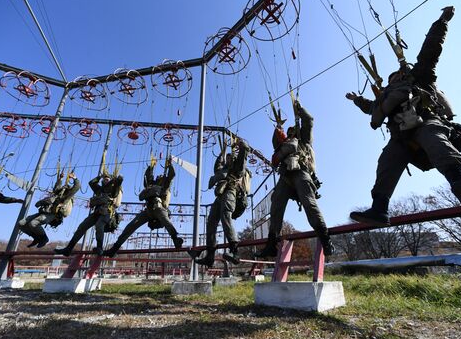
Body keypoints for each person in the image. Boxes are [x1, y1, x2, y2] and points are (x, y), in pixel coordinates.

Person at [345, 6, 461, 227]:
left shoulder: (419, 77)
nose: (395, 78)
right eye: (392, 78)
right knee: (387, 162)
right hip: (401, 136)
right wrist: (357, 100)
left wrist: (442, 21)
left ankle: (460, 181)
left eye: (398, 75)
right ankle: (379, 208)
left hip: (426, 122)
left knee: (434, 139)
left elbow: (430, 49)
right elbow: (372, 108)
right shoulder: (384, 99)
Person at [255, 100, 334, 258]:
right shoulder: (282, 145)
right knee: (276, 206)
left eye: (292, 130)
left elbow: (309, 121)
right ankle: (272, 243)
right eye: (288, 131)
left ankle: (325, 239)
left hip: (300, 171)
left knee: (309, 203)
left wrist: (300, 110)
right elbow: (276, 141)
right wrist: (278, 126)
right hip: (285, 175)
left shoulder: (304, 140)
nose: (290, 133)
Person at [104, 156, 182, 257]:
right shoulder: (149, 185)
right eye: (157, 176)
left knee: (166, 221)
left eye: (160, 177)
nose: (158, 176)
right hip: (148, 210)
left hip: (159, 208)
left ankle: (175, 239)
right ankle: (115, 248)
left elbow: (172, 175)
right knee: (131, 226)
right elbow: (147, 176)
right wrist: (151, 166)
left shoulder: (164, 185)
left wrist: (170, 165)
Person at [195, 138, 251, 267]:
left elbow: (245, 151)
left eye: (232, 157)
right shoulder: (222, 169)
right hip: (220, 196)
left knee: (226, 215)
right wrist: (223, 151)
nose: (229, 159)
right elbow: (218, 164)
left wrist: (240, 143)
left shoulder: (238, 168)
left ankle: (235, 252)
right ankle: (210, 256)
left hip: (231, 191)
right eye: (228, 158)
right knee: (211, 222)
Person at [55, 172, 123, 256]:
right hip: (97, 213)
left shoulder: (113, 190)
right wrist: (99, 177)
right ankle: (68, 248)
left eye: (107, 179)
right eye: (104, 179)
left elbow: (117, 186)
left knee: (99, 226)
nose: (105, 181)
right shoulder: (99, 189)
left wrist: (118, 180)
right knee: (82, 226)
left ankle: (99, 248)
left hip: (106, 213)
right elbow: (91, 183)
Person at [19, 172, 80, 248]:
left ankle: (44, 238)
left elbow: (77, 187)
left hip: (54, 215)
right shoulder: (57, 193)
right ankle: (36, 238)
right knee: (21, 224)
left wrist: (74, 178)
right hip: (45, 212)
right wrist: (60, 179)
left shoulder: (66, 197)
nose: (60, 189)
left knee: (33, 223)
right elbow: (57, 188)